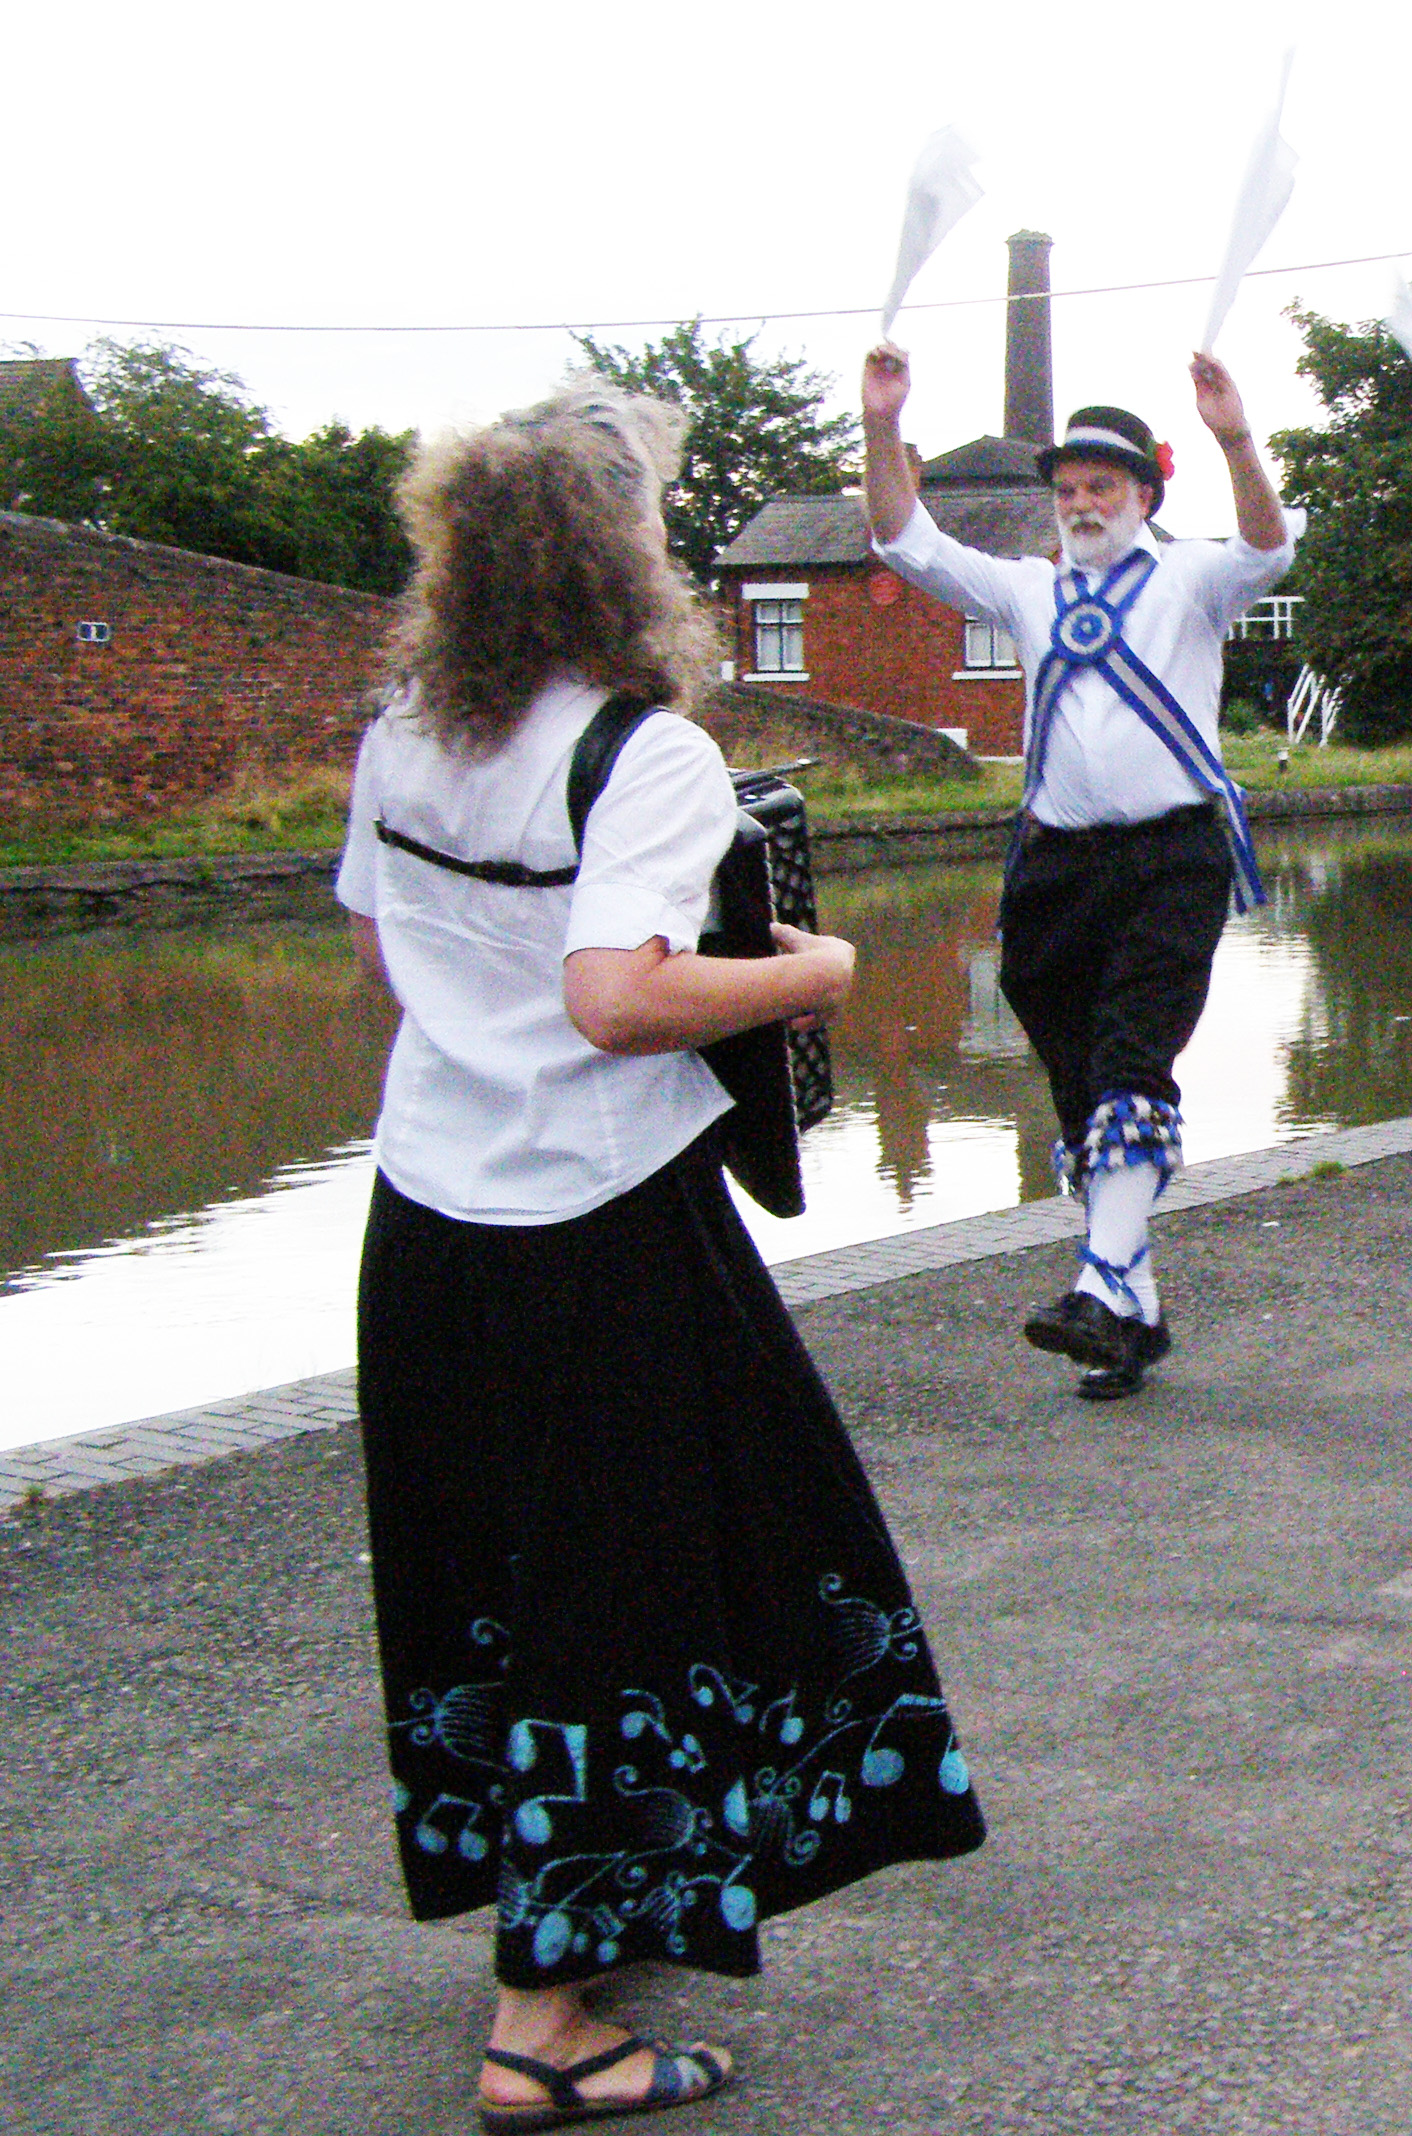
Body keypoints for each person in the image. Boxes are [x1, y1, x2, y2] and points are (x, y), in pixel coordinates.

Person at [337, 380, 985, 2130]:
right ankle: (541, 2031)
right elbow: (618, 998)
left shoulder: (408, 723)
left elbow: (387, 954)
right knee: (626, 1591)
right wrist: (815, 974)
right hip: (601, 1235)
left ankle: (562, 1918)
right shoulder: (645, 749)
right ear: (615, 556)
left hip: (427, 1224)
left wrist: (490, 1033)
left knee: (498, 1571)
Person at [862, 343, 1296, 1397]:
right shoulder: (1027, 593)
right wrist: (882, 426)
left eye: (1102, 485)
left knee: (1132, 1062)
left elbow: (1267, 544)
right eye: (1066, 489)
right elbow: (902, 537)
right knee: (1079, 1091)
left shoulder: (1192, 577)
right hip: (1055, 870)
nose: (1081, 503)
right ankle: (1133, 1319)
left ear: (1145, 493)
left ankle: (1100, 1284)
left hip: (1171, 862)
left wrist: (1236, 436)